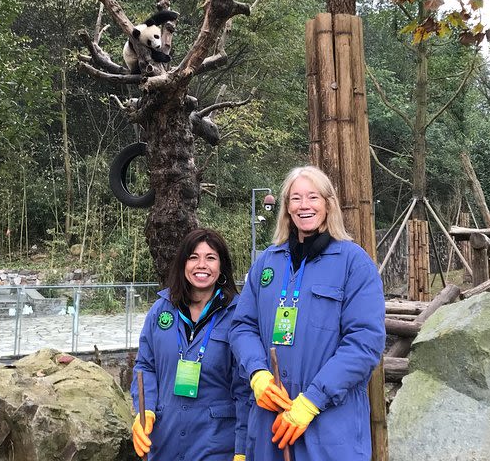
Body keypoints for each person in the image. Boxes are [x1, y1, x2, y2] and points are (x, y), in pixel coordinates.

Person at [229, 166, 386, 460]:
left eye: (312, 197)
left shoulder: (354, 264)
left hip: (329, 426)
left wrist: (312, 402)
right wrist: (257, 374)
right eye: (296, 198)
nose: (304, 206)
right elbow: (242, 326)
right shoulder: (266, 263)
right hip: (270, 422)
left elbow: (364, 344)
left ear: (328, 204)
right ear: (287, 208)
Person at [131, 228, 251, 460]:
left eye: (211, 258)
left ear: (222, 266)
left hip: (215, 445)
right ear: (183, 264)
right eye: (193, 257)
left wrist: (242, 449)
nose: (201, 265)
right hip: (165, 440)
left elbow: (244, 390)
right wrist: (145, 409)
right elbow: (145, 366)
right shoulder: (161, 310)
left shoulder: (238, 315)